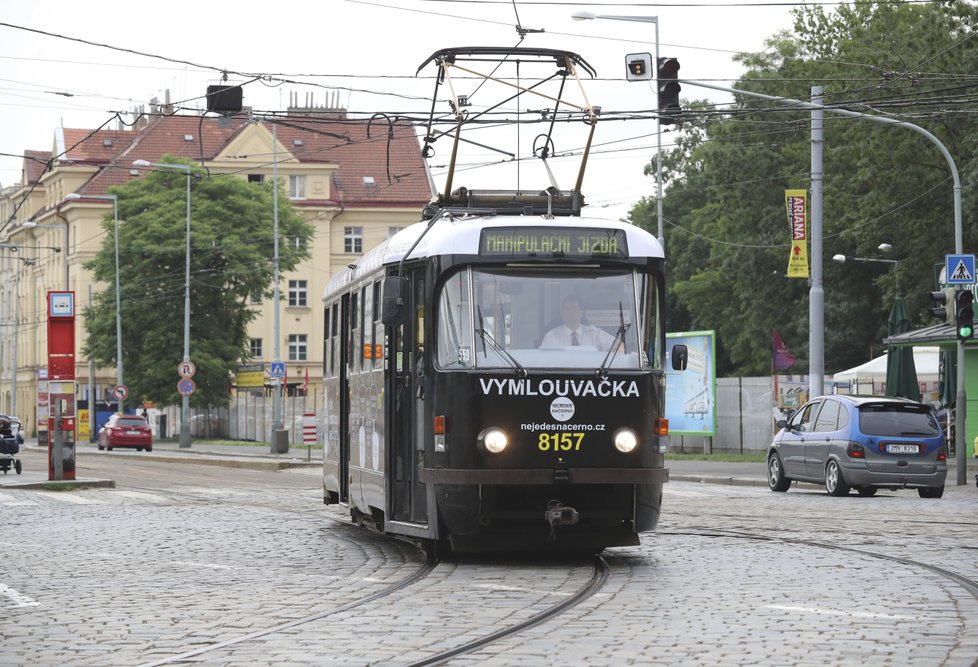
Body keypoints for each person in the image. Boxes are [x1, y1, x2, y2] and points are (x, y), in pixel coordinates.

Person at [540, 295, 618, 349]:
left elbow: (618, 345)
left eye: (573, 308)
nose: (569, 311)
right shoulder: (552, 336)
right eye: (566, 309)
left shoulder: (594, 334)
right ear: (562, 314)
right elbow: (544, 360)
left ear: (581, 313)